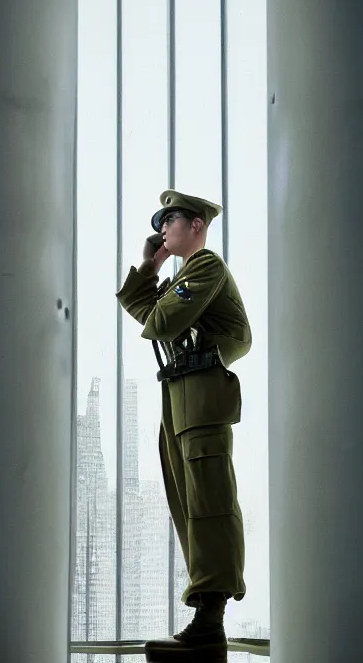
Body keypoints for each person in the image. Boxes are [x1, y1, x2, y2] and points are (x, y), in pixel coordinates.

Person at [116, 190, 252, 660]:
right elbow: (150, 315)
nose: (162, 229)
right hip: (181, 398)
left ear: (197, 224)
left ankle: (210, 620)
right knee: (189, 506)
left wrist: (158, 300)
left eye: (171, 219)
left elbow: (162, 322)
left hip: (202, 398)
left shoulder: (205, 267)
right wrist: (149, 270)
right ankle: (204, 620)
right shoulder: (181, 276)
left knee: (210, 505)